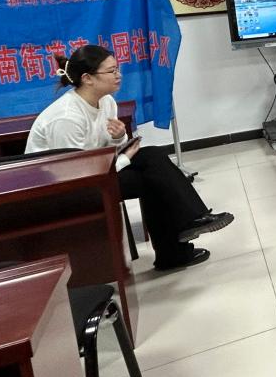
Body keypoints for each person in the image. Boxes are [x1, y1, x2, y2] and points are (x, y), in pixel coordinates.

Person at [25, 45, 234, 271]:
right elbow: (78, 173)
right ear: (87, 78)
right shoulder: (66, 118)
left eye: (118, 69)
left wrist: (120, 138)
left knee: (153, 156)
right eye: (111, 71)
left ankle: (189, 226)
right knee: (152, 178)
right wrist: (124, 159)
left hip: (94, 171)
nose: (119, 75)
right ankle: (177, 244)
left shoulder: (106, 102)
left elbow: (103, 149)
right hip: (62, 190)